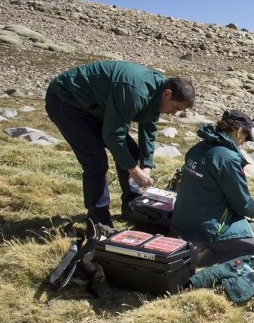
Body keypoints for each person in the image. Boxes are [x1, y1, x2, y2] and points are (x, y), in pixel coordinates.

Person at [46, 60, 195, 227]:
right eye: (175, 108)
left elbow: (148, 128)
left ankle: (132, 206)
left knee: (130, 152)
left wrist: (146, 165)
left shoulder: (158, 92)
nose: (173, 114)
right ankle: (99, 222)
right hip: (66, 100)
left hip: (95, 107)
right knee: (96, 162)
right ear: (167, 94)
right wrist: (134, 170)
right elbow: (113, 135)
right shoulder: (135, 92)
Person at [170, 110, 254, 265]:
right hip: (209, 229)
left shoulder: (199, 147)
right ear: (239, 130)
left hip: (183, 221)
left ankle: (201, 245)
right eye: (246, 136)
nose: (244, 141)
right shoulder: (227, 158)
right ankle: (206, 256)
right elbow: (240, 202)